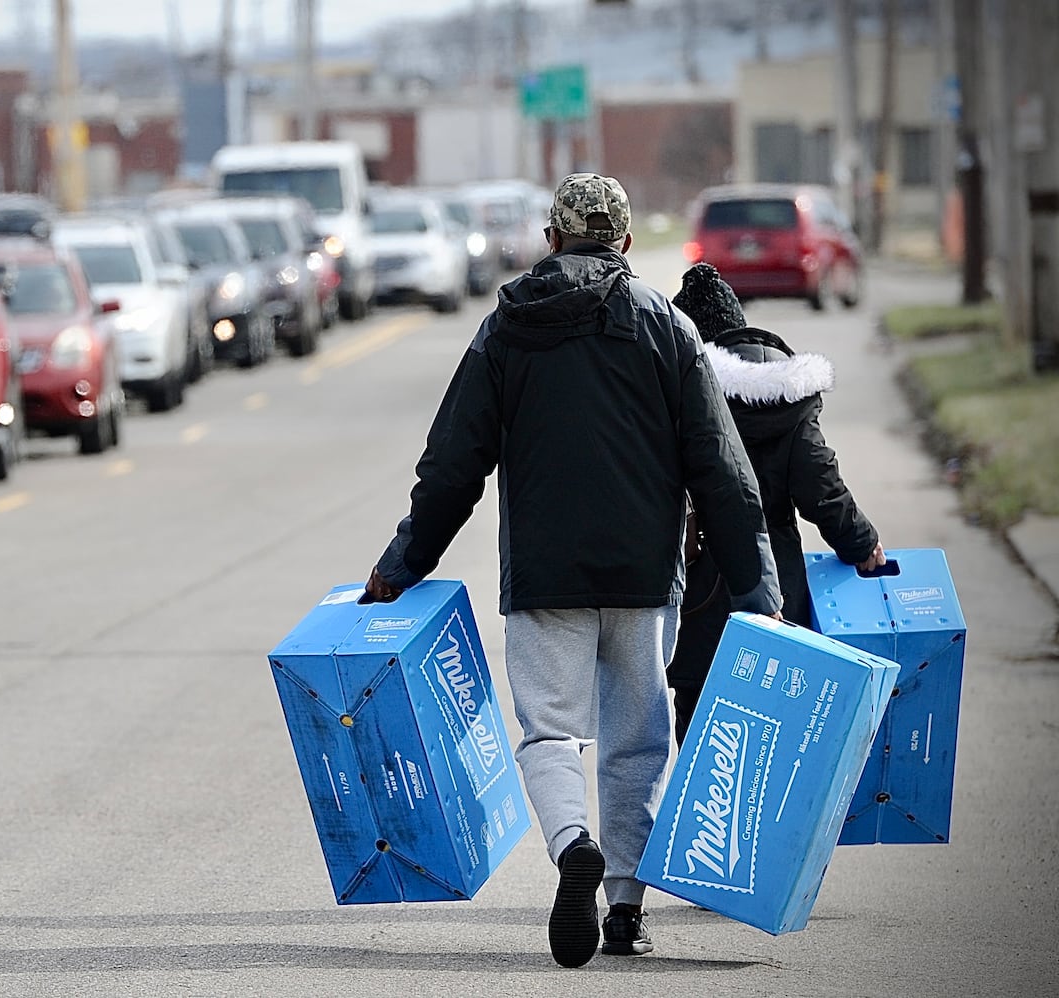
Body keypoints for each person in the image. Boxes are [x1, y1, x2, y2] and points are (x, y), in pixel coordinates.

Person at [358, 174, 781, 968]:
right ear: (624, 243)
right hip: (645, 576)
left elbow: (454, 466)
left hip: (545, 574)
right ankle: (624, 908)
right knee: (638, 740)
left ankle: (571, 844)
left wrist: (402, 564)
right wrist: (759, 591)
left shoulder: (507, 326)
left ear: (550, 240)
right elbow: (722, 469)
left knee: (550, 731)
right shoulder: (665, 325)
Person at [668, 263, 885, 744]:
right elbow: (821, 487)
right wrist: (861, 542)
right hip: (777, 591)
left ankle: (707, 818)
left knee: (701, 734)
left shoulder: (679, 392)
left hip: (699, 590)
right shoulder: (788, 399)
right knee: (777, 732)